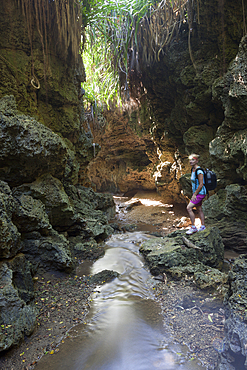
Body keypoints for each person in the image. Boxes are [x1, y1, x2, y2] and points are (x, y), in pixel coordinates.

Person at [186, 154, 206, 235]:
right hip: (197, 193)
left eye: (193, 160)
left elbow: (201, 184)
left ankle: (193, 227)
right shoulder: (193, 169)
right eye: (190, 160)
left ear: (197, 161)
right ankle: (203, 226)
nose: (191, 161)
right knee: (199, 209)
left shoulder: (199, 171)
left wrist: (195, 194)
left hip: (200, 193)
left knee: (189, 208)